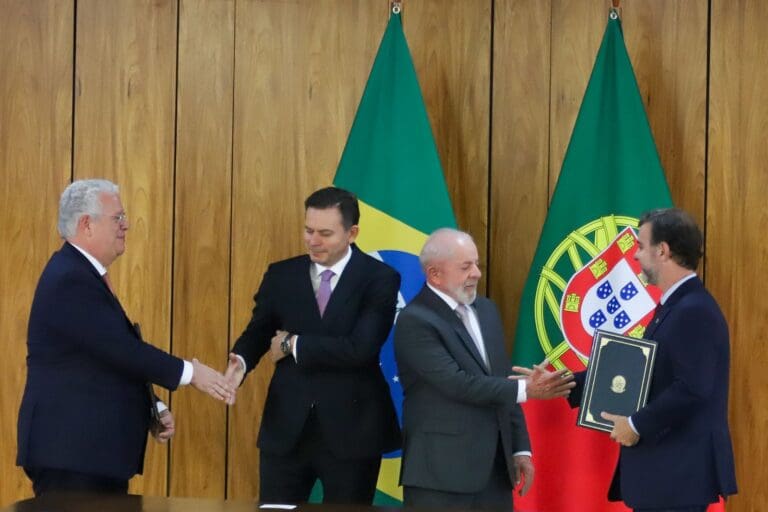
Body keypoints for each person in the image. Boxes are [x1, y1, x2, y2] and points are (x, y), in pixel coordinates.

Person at [16, 179, 233, 496]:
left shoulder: (79, 274)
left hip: (87, 455)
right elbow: (123, 350)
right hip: (72, 455)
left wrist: (152, 407)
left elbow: (104, 357)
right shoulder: (70, 279)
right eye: (117, 217)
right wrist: (191, 373)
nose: (126, 225)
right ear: (87, 225)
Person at [519, 208, 738, 511]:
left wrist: (635, 424)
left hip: (677, 478)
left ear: (663, 251)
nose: (635, 256)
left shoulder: (693, 311)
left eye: (640, 246)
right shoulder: (676, 305)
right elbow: (642, 372)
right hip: (667, 477)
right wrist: (564, 382)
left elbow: (693, 388)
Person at [224, 186, 401, 505]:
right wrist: (240, 361)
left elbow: (360, 348)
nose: (313, 241)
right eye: (308, 230)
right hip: (287, 428)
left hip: (353, 430)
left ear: (352, 233)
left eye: (325, 233)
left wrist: (293, 343)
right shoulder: (282, 274)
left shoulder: (380, 278)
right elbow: (260, 329)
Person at [393, 228, 575, 510]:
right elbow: (457, 384)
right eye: (466, 267)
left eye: (477, 264)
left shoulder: (487, 310)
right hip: (441, 476)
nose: (476, 273)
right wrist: (529, 388)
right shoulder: (415, 320)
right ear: (435, 274)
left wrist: (519, 448)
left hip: (496, 472)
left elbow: (501, 382)